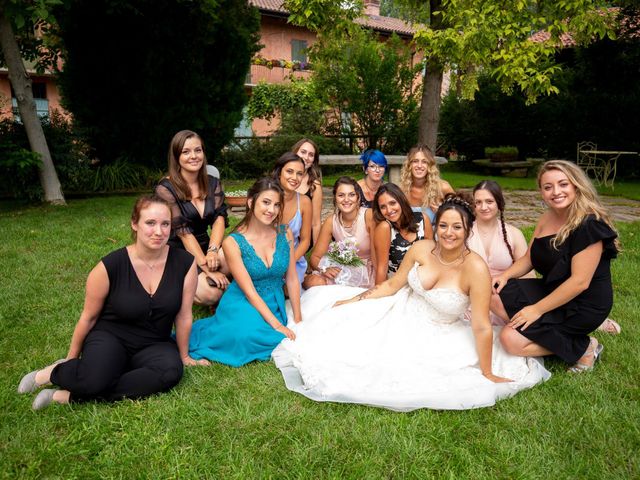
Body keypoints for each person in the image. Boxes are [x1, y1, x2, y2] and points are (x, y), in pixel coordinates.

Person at [273, 193, 549, 411]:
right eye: (443, 226)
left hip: (437, 331)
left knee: (388, 370)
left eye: (457, 227)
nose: (448, 233)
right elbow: (393, 284)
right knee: (344, 332)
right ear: (435, 225)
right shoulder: (421, 248)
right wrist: (357, 299)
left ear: (468, 230)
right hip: (398, 308)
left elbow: (481, 325)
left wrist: (487, 372)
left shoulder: (475, 269)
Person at [17, 195, 201, 410]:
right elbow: (89, 316)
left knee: (170, 373)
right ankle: (53, 373)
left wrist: (184, 356)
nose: (159, 231)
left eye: (165, 224)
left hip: (154, 343)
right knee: (94, 379)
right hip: (111, 337)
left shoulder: (185, 263)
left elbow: (184, 315)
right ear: (135, 224)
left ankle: (67, 397)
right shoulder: (110, 266)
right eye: (150, 223)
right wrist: (70, 358)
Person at [494, 160, 620, 373]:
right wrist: (505, 276)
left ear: (575, 185)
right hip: (552, 288)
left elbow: (579, 282)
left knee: (510, 341)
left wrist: (535, 310)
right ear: (542, 192)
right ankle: (543, 330)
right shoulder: (547, 217)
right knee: (493, 292)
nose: (556, 192)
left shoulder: (589, 224)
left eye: (563, 184)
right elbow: (529, 258)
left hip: (584, 304)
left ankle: (585, 347)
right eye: (548, 187)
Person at [187, 178, 301, 367]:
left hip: (274, 301)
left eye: (276, 205)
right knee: (247, 338)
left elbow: (291, 278)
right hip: (244, 301)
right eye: (266, 202)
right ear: (251, 202)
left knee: (281, 337)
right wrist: (278, 325)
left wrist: (297, 319)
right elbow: (249, 291)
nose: (271, 210)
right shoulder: (233, 242)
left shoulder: (285, 232)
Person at [155, 130, 229, 306]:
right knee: (211, 294)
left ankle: (221, 284)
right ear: (176, 156)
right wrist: (207, 269)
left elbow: (219, 218)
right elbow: (184, 234)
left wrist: (212, 250)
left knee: (234, 252)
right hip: (178, 252)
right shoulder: (165, 188)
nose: (193, 156)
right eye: (186, 152)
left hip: (205, 244)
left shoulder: (212, 183)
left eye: (198, 150)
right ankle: (177, 287)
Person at [469, 180, 532, 325]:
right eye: (478, 202)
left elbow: (528, 273)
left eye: (489, 201)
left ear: (499, 203)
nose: (483, 207)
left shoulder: (513, 234)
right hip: (471, 298)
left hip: (505, 300)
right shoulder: (465, 233)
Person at [303, 176, 376, 289]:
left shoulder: (369, 216)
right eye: (341, 195)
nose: (346, 199)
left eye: (351, 195)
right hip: (342, 269)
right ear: (335, 198)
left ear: (358, 197)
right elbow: (315, 256)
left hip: (366, 272)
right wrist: (324, 269)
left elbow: (380, 256)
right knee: (312, 281)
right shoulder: (331, 221)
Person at [372, 183, 433, 284]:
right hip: (397, 286)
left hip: (423, 282)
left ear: (401, 201)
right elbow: (382, 269)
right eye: (383, 207)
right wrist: (379, 299)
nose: (389, 210)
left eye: (392, 203)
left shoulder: (423, 219)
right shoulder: (385, 228)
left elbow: (431, 257)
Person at [272, 152, 312, 285]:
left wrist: (289, 263)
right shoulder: (266, 197)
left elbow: (305, 240)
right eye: (289, 171)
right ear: (279, 173)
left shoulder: (305, 202)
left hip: (293, 258)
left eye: (299, 173)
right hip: (266, 257)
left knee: (289, 292)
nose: (295, 177)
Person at [400, 144, 454, 223]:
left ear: (430, 165)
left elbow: (460, 214)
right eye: (415, 161)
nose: (419, 166)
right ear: (409, 165)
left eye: (424, 162)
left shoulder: (442, 187)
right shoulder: (401, 190)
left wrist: (442, 211)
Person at [292, 138, 323, 245]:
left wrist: (316, 253)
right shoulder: (282, 177)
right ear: (295, 152)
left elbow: (315, 223)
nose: (306, 157)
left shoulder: (315, 186)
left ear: (314, 159)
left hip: (302, 236)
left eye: (311, 155)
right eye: (303, 152)